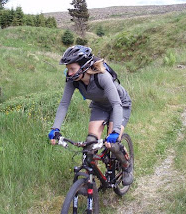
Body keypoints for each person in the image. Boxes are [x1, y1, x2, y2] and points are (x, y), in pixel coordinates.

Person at [48, 45, 133, 185]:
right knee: (90, 143)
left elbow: (116, 104)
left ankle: (126, 167)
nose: (69, 73)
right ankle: (91, 180)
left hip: (120, 105)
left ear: (84, 66)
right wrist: (55, 128)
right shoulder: (73, 80)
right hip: (100, 106)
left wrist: (115, 131)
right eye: (67, 69)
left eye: (72, 69)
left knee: (113, 144)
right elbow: (64, 104)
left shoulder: (102, 77)